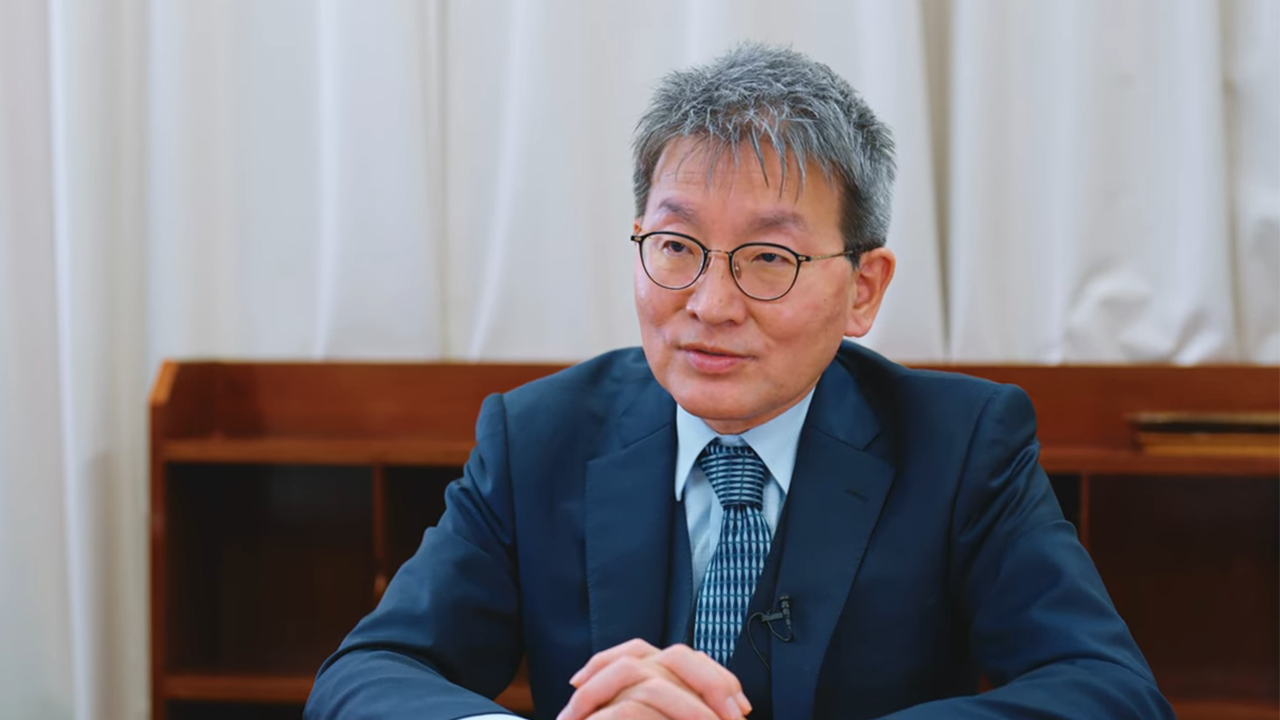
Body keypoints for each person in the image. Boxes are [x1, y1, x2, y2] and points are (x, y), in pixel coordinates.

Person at [305, 43, 1172, 720]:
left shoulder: (961, 446)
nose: (710, 305)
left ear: (863, 289)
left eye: (768, 258)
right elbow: (368, 675)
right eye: (676, 246)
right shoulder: (538, 437)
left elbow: (1109, 692)